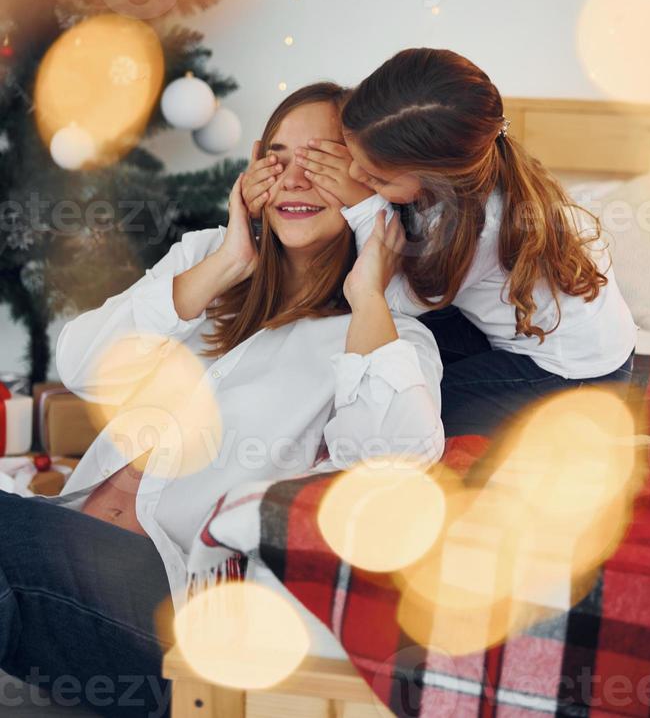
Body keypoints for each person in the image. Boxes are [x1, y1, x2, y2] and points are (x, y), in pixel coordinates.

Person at [0, 82, 444, 718]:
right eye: (278, 158)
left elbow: (395, 460)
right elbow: (83, 366)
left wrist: (370, 289)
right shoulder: (207, 257)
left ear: (371, 184)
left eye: (323, 161)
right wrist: (231, 258)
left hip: (168, 619)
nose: (294, 179)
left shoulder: (385, 337)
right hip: (66, 548)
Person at [286, 49, 637, 436]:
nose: (352, 173)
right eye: (350, 155)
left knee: (408, 416)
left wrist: (365, 206)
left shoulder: (478, 225)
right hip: (541, 331)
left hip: (574, 375)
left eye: (376, 178)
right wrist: (372, 189)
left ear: (438, 179)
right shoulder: (460, 175)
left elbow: (390, 302)